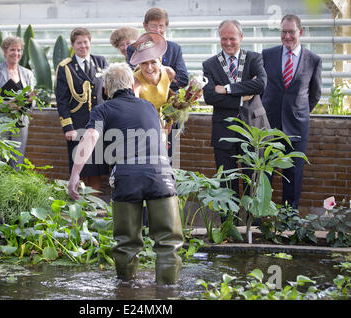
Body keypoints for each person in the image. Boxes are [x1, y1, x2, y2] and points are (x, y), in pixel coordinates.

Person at [67, 62, 183, 285]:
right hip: (161, 175)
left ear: (106, 90)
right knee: (169, 242)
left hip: (127, 177)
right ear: (132, 84)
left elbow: (89, 138)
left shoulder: (102, 109)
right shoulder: (149, 107)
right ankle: (169, 292)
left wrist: (75, 175)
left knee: (126, 243)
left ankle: (126, 289)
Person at [202, 19, 268, 219]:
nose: (228, 42)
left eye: (232, 38)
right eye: (224, 38)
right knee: (226, 181)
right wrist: (241, 96)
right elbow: (209, 97)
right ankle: (228, 225)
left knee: (252, 178)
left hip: (253, 128)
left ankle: (252, 226)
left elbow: (261, 85)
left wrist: (228, 89)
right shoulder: (210, 64)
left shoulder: (254, 58)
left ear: (241, 37)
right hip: (223, 130)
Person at [261, 14, 322, 210]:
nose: (287, 36)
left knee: (293, 177)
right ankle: (261, 219)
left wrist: (298, 112)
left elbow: (315, 94)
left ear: (300, 32)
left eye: (291, 32)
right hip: (269, 126)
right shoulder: (267, 55)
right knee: (264, 175)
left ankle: (289, 221)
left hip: (297, 128)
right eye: (283, 32)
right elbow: (260, 88)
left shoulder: (313, 60)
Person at [55, 27, 110, 191]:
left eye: (86, 42)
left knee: (97, 167)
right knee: (81, 167)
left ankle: (95, 207)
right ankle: (81, 208)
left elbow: (108, 92)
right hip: (78, 125)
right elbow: (62, 101)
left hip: (99, 125)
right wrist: (68, 127)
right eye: (79, 43)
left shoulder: (100, 62)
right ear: (72, 45)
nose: (83, 46)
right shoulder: (66, 67)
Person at [0, 36, 36, 166]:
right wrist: (6, 105)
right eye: (12, 50)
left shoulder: (27, 74)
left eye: (19, 50)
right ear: (5, 51)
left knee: (16, 162)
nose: (16, 53)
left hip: (20, 125)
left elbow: (32, 103)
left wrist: (29, 101)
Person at [126, 7, 188, 92]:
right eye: (154, 26)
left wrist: (159, 83)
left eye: (161, 26)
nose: (158, 30)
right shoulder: (134, 48)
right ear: (145, 26)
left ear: (166, 27)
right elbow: (132, 77)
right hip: (143, 96)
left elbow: (183, 79)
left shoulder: (174, 48)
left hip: (169, 99)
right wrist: (168, 77)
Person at [131, 32, 175, 113]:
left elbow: (166, 91)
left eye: (153, 62)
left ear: (160, 60)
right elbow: (134, 110)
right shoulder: (135, 82)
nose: (149, 67)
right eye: (144, 63)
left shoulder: (169, 73)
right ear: (139, 64)